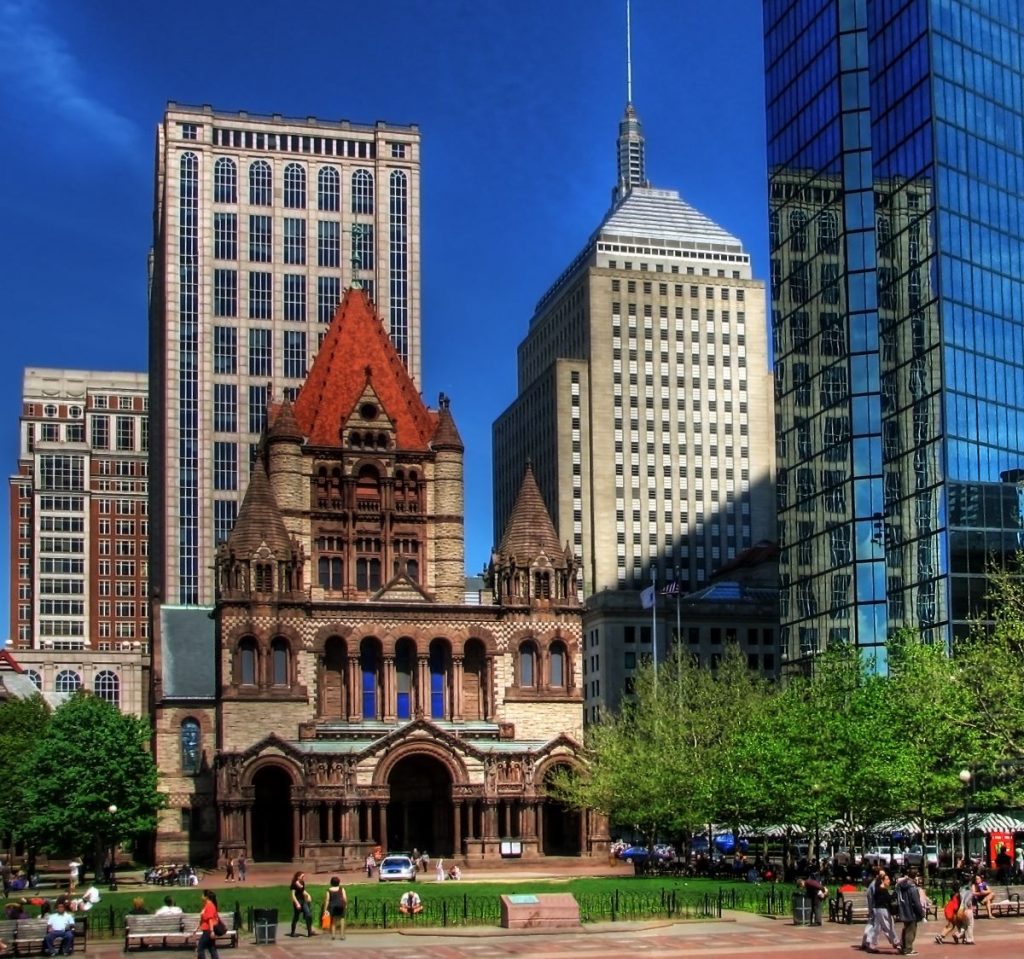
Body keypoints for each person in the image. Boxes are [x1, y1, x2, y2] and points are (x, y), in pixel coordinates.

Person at [864, 871, 899, 953]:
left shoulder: (878, 888)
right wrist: (895, 892)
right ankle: (897, 942)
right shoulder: (882, 890)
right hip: (882, 910)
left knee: (877, 928)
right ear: (882, 880)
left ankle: (871, 944)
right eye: (887, 879)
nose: (889, 881)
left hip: (877, 910)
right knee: (888, 926)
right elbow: (889, 899)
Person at [895, 869, 925, 956]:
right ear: (915, 876)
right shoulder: (912, 888)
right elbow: (916, 902)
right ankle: (908, 949)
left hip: (903, 909)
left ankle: (903, 947)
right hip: (911, 912)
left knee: (906, 929)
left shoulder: (902, 886)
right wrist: (921, 912)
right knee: (911, 930)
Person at [194, 890, 220, 959]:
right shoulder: (206, 905)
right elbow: (203, 919)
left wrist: (212, 931)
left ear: (206, 897)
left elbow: (210, 919)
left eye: (202, 895)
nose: (201, 896)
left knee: (200, 948)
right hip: (207, 930)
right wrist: (197, 928)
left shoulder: (209, 905)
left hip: (208, 930)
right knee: (211, 948)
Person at [288, 871, 314, 937]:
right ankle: (292, 932)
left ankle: (309, 932)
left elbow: (302, 891)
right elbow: (293, 895)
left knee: (308, 915)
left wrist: (308, 895)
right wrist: (297, 904)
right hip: (297, 901)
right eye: (302, 876)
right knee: (296, 917)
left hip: (303, 901)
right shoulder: (294, 884)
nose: (303, 877)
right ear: (298, 877)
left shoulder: (302, 883)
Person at [323, 876, 347, 940]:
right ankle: (342, 936)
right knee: (342, 919)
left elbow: (327, 900)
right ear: (339, 882)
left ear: (331, 883)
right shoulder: (341, 889)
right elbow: (344, 898)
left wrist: (325, 909)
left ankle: (333, 935)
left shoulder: (329, 890)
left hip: (332, 906)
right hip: (340, 905)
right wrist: (345, 904)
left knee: (333, 921)